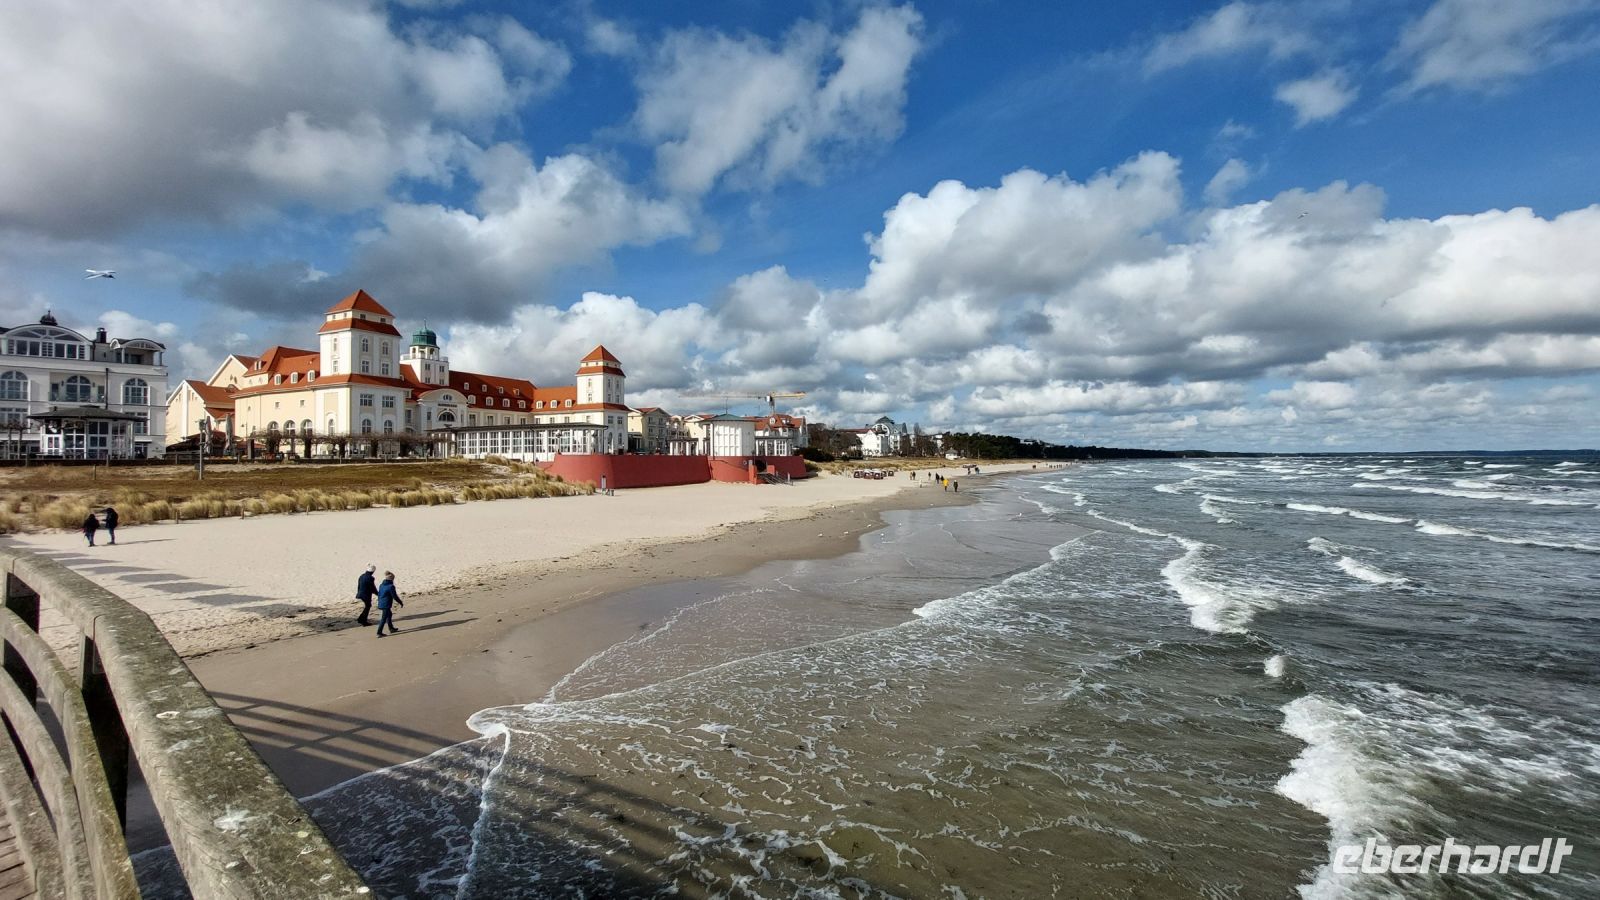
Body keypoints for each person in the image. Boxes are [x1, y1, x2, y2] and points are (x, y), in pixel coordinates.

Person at [375, 571, 403, 637]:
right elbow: (394, 596)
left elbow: (379, 594)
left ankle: (391, 628)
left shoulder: (381, 585)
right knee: (383, 618)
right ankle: (379, 632)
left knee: (389, 614)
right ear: (392, 579)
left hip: (381, 603)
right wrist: (400, 602)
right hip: (386, 604)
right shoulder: (391, 586)